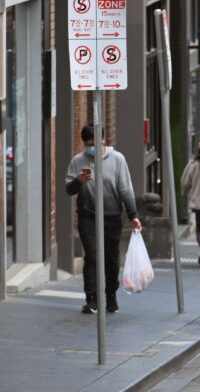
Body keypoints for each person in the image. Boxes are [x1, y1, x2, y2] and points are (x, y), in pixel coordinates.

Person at [65, 125, 142, 314]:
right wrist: (78, 181)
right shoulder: (78, 161)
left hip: (112, 216)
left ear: (103, 140)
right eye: (88, 144)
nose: (92, 147)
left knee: (111, 258)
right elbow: (69, 189)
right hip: (88, 216)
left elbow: (125, 189)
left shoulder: (117, 160)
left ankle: (111, 295)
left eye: (95, 143)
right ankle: (91, 298)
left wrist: (133, 215)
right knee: (92, 256)